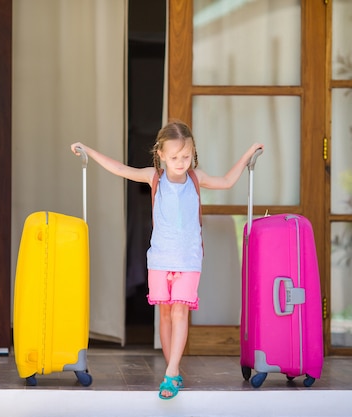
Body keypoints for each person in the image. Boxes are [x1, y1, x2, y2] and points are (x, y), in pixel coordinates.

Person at [71, 120, 263, 400]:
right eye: (174, 157)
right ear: (160, 154)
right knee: (164, 315)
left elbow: (226, 181)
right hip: (160, 259)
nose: (181, 162)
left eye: (186, 156)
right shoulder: (155, 177)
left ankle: (172, 372)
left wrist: (248, 154)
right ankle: (172, 368)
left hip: (188, 260)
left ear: (193, 153)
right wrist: (88, 150)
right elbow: (121, 169)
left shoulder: (196, 178)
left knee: (179, 312)